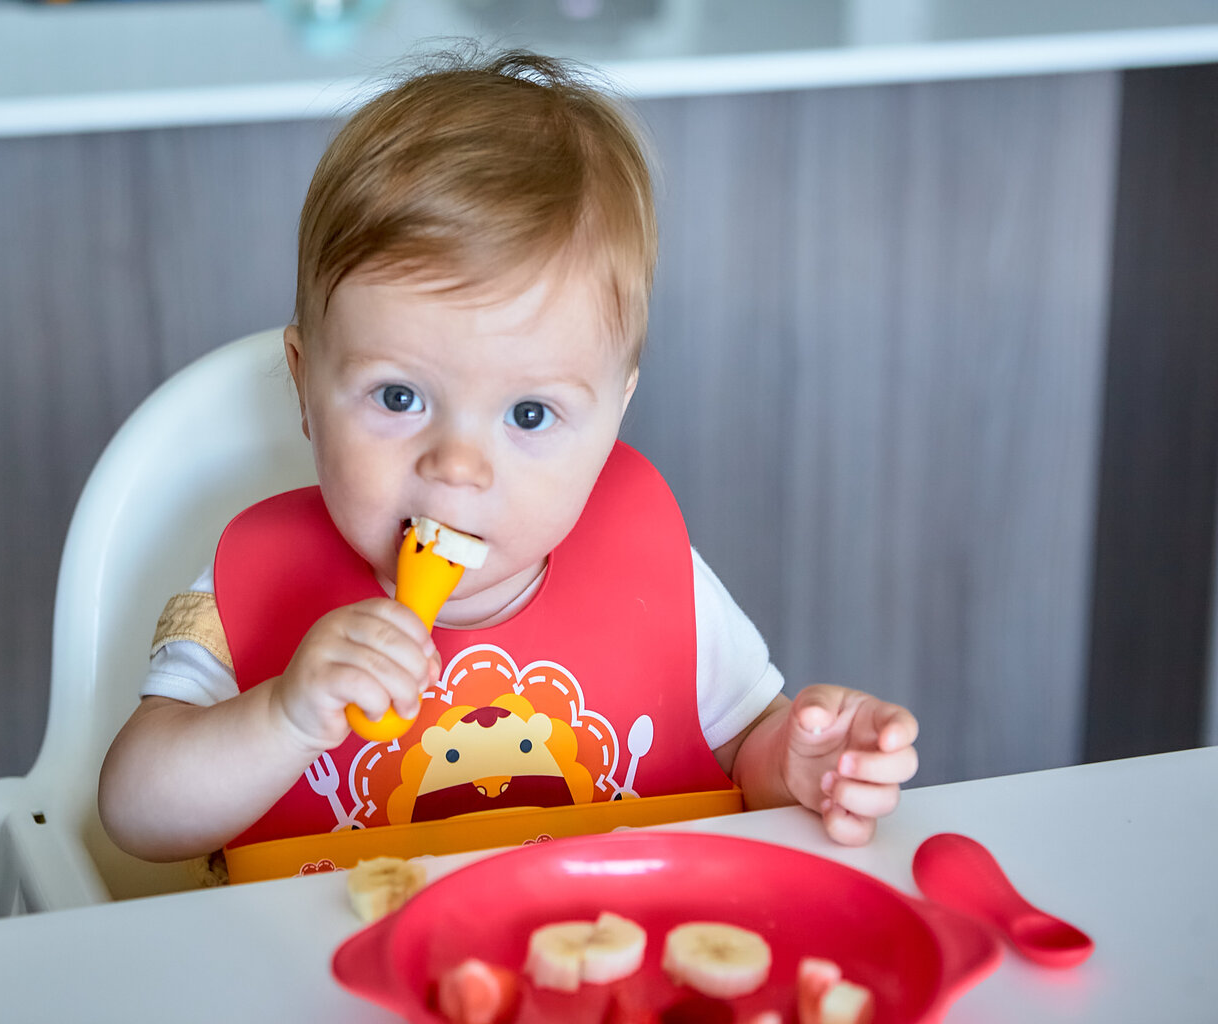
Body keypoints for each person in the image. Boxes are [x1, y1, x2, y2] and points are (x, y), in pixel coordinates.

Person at [98, 49, 918, 867]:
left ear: (614, 412)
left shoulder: (649, 563)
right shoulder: (256, 579)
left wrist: (802, 765)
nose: (457, 465)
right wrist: (284, 716)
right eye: (398, 398)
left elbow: (747, 749)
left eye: (529, 413)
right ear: (306, 386)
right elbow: (136, 815)